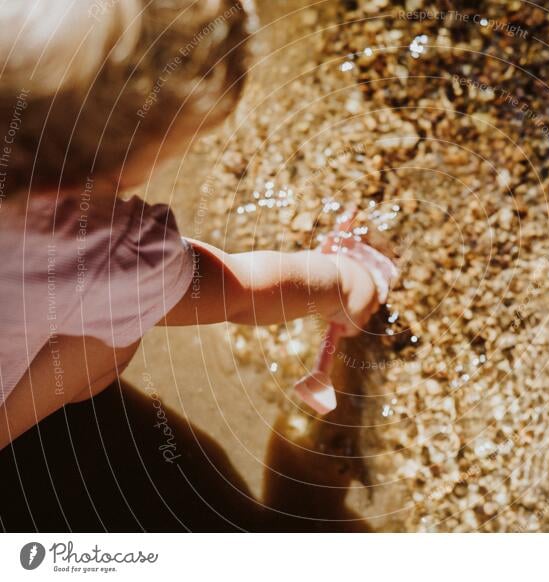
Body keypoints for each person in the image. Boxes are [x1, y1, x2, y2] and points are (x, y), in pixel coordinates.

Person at [0, 0, 381, 450]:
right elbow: (238, 293)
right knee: (111, 339)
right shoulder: (104, 254)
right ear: (128, 160)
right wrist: (346, 283)